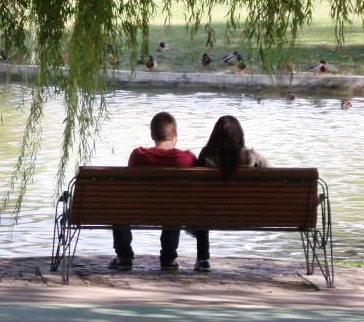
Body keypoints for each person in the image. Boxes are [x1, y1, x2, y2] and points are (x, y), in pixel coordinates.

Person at [108, 112, 207, 272]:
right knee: (176, 204)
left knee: (119, 205)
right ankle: (168, 258)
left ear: (152, 135)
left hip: (140, 211)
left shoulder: (138, 156)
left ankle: (124, 256)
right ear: (175, 134)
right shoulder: (187, 159)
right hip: (175, 212)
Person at [192, 115, 274, 271]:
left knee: (201, 208)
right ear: (240, 135)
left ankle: (203, 259)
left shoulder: (205, 155)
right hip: (248, 213)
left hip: (211, 213)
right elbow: (276, 178)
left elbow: (196, 189)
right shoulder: (253, 156)